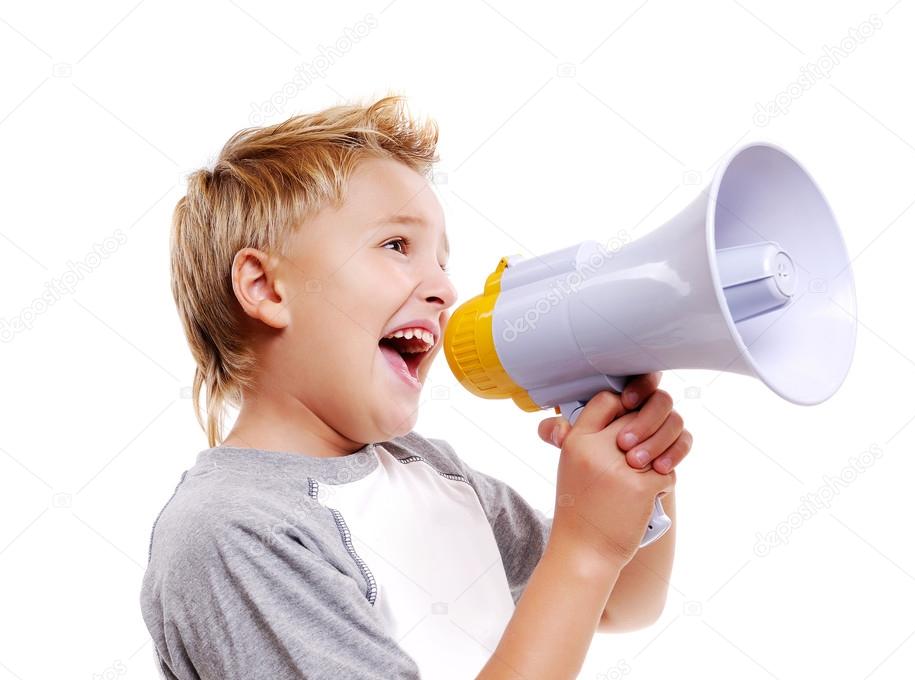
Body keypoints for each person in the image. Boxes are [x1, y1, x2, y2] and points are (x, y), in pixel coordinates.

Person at [139, 93, 694, 679]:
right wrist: (586, 549)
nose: (444, 290)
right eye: (396, 245)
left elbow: (623, 602)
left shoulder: (433, 473)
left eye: (442, 261)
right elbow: (585, 566)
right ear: (266, 287)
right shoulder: (232, 531)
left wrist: (639, 475)